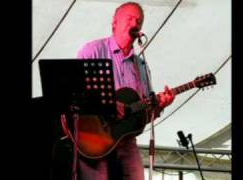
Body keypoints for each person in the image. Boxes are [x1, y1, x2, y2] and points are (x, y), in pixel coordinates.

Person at [75, 2, 175, 180]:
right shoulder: (93, 50)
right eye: (129, 18)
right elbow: (75, 93)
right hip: (94, 136)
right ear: (114, 22)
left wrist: (160, 105)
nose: (135, 24)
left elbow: (145, 110)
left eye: (139, 21)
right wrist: (107, 104)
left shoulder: (141, 65)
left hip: (126, 140)